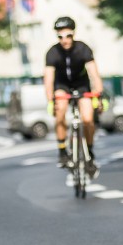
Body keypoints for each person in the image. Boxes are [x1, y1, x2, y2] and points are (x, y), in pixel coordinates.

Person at [44, 16, 104, 179]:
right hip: (61, 85)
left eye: (68, 35)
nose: (65, 40)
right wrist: (50, 100)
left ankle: (89, 153)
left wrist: (99, 94)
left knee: (88, 119)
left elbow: (94, 73)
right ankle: (62, 151)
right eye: (60, 37)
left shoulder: (83, 49)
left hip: (81, 85)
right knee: (61, 110)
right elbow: (48, 79)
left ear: (73, 34)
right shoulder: (52, 52)